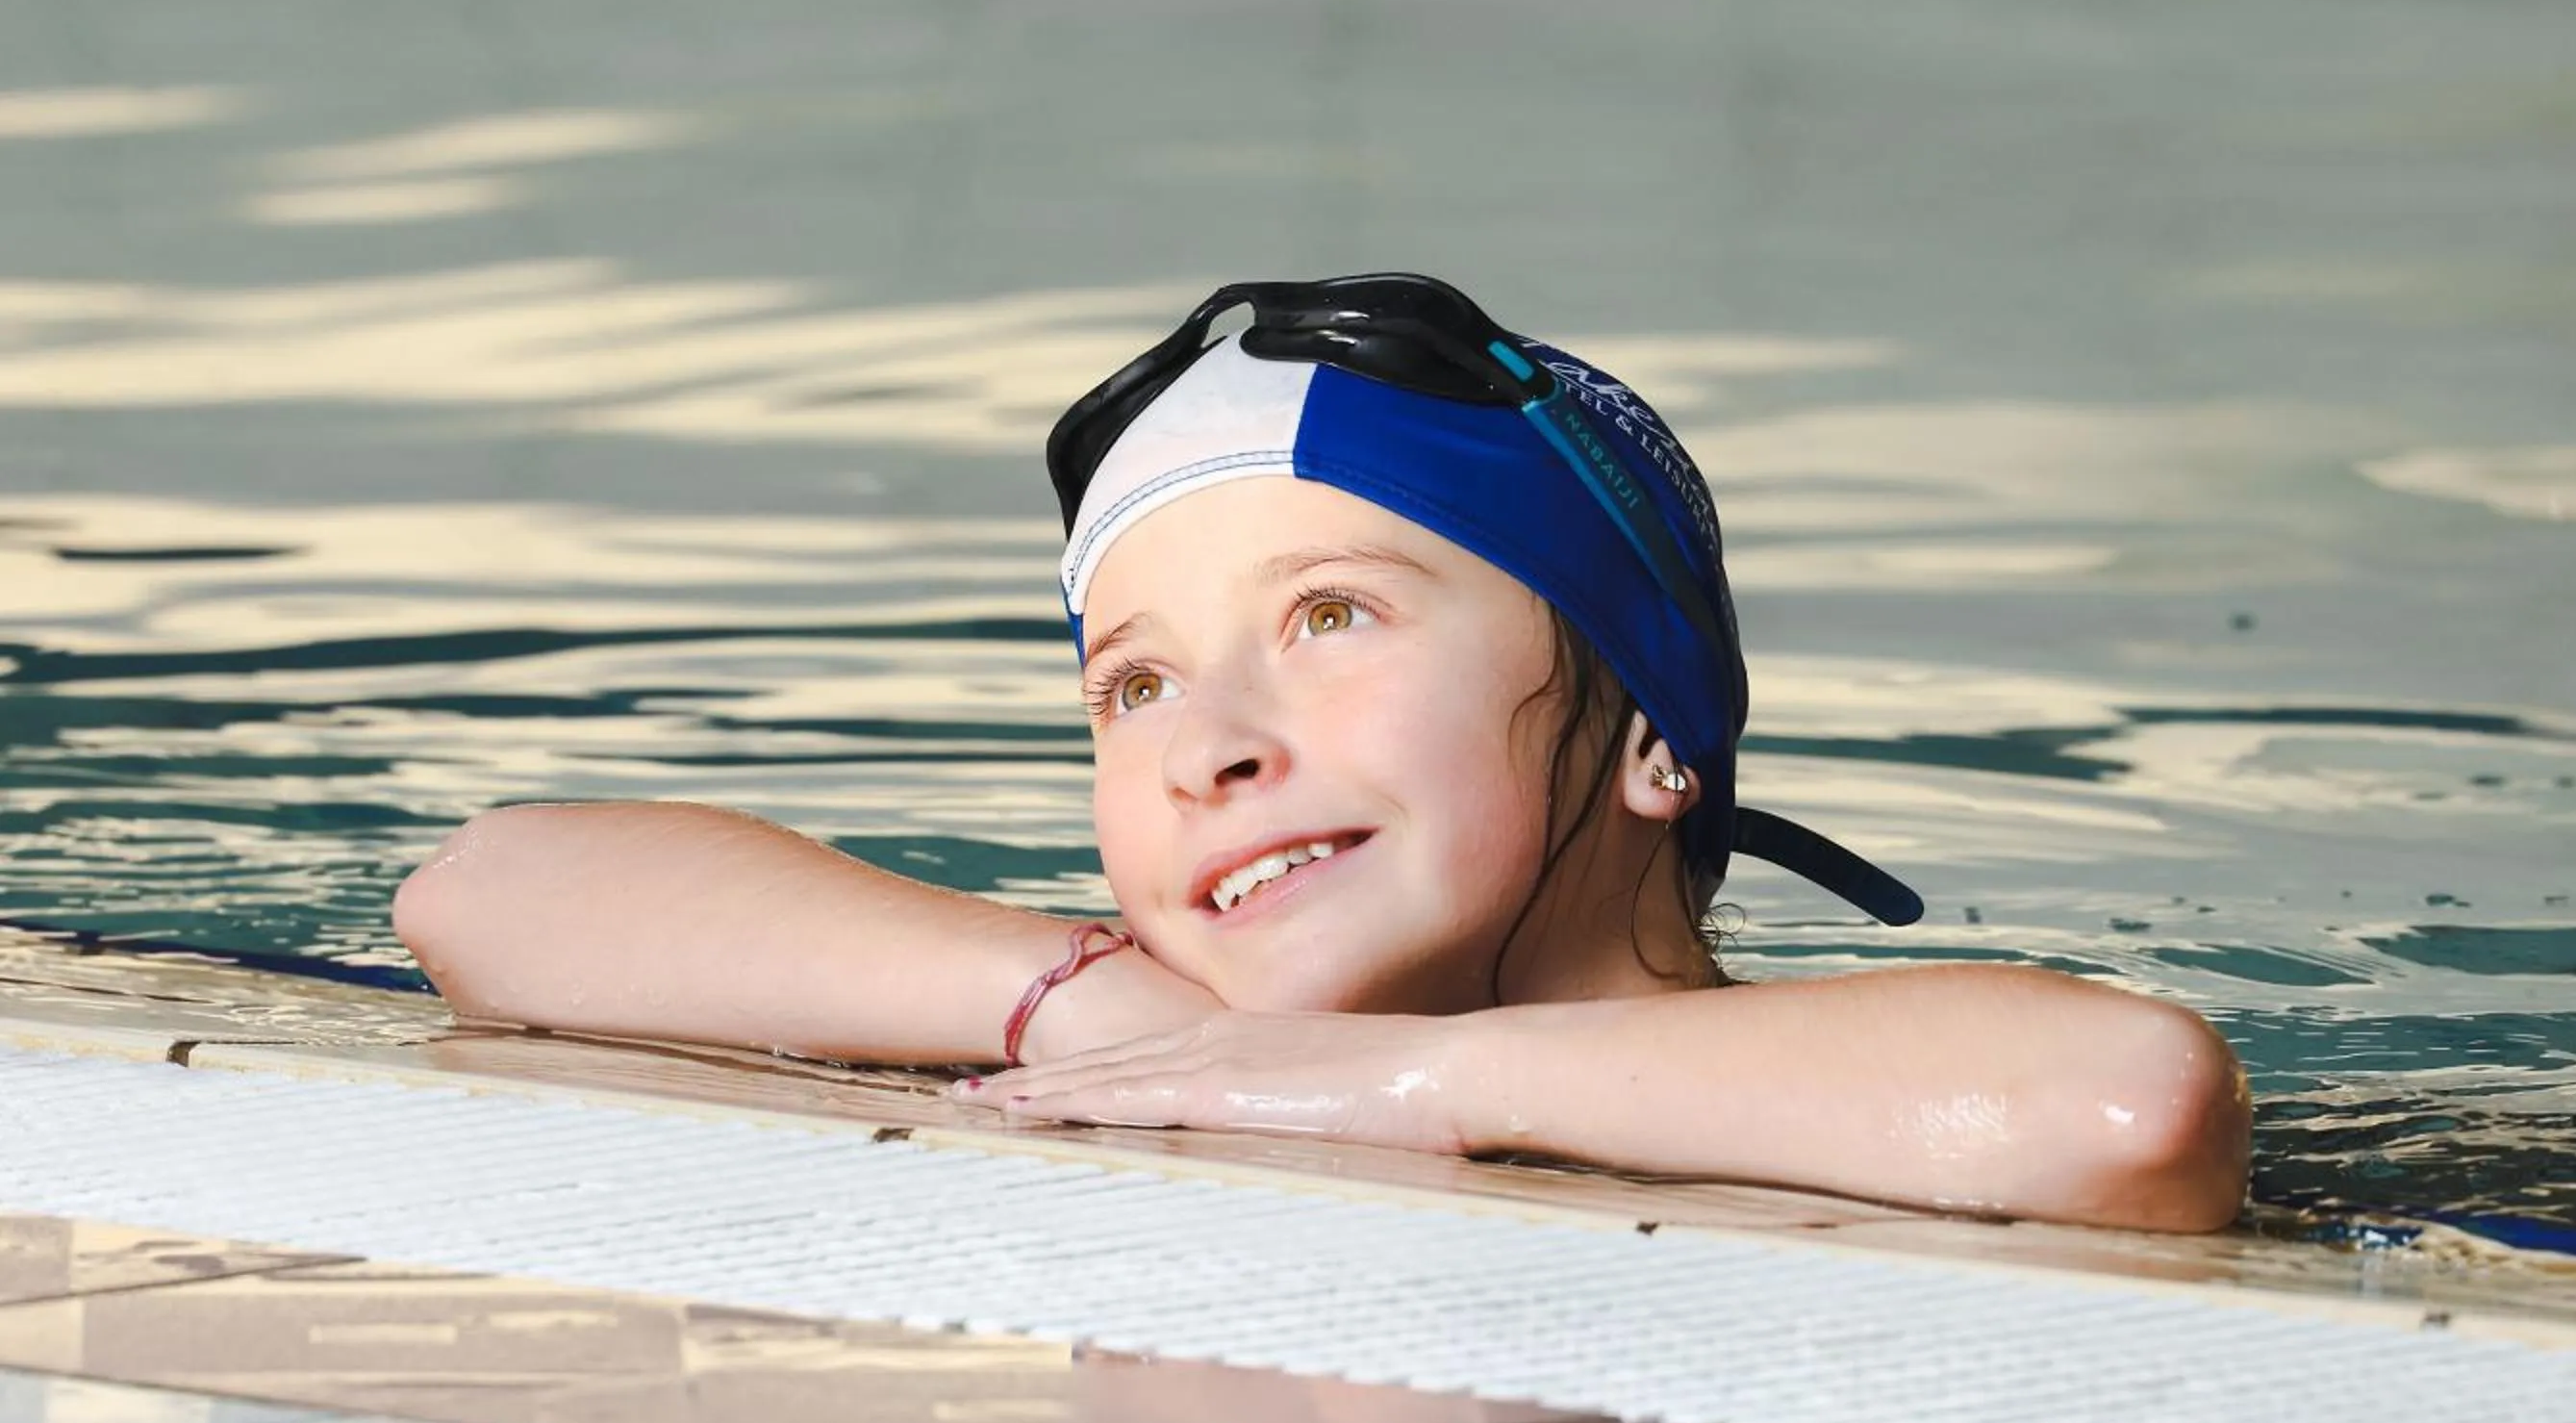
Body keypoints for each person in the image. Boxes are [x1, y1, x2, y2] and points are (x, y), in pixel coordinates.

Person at [395, 274, 2250, 1232]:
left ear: (1656, 736)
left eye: (1332, 618)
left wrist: (1398, 1087)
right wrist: (1109, 1016)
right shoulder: (1160, 1019)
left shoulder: (1870, 1068)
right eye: (1134, 687)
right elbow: (491, 891)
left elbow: (2121, 1110)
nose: (1210, 743)